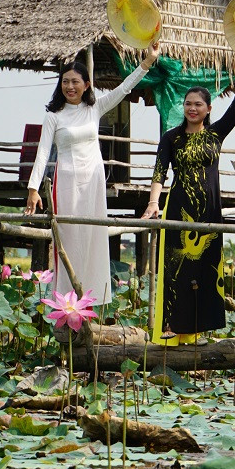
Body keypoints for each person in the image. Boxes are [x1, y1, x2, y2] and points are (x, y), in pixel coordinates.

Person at [26, 42, 161, 306]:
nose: (70, 87)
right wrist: (33, 189)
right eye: (65, 82)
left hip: (94, 180)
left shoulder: (94, 108)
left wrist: (148, 61)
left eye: (75, 82)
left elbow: (125, 88)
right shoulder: (54, 116)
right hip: (66, 180)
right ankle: (65, 300)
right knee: (68, 237)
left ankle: (93, 299)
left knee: (93, 236)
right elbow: (42, 153)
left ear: (86, 84)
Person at [141, 56, 235, 346]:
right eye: (188, 104)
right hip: (179, 208)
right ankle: (172, 327)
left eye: (198, 104)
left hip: (209, 210)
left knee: (206, 268)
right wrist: (153, 203)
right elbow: (160, 172)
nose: (192, 108)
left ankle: (196, 331)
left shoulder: (215, 135)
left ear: (208, 109)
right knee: (177, 266)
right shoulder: (171, 138)